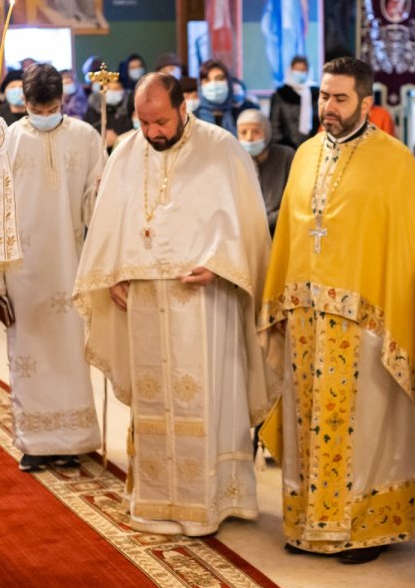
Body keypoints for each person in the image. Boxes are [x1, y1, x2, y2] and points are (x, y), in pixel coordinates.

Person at [73, 73, 275, 535]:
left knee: (205, 399)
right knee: (154, 402)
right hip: (144, 303)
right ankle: (156, 497)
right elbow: (109, 223)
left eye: (160, 121)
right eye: (144, 123)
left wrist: (222, 266)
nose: (152, 133)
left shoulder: (222, 149)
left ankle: (211, 500)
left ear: (184, 106)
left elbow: (248, 230)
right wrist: (114, 274)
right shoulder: (127, 150)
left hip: (205, 302)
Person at [260, 56, 415, 564]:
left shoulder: (395, 160)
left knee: (366, 428)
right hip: (306, 319)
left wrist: (394, 313)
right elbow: (292, 234)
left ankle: (364, 529)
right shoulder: (306, 154)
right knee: (307, 423)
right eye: (323, 97)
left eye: (339, 98)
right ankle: (308, 523)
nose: (328, 107)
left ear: (366, 102)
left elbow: (409, 246)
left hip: (366, 322)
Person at [0, 64, 104, 471]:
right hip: (23, 270)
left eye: (49, 106)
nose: (43, 113)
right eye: (36, 106)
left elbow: (97, 204)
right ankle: (35, 441)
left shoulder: (86, 137)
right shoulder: (7, 142)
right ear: (22, 103)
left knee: (72, 352)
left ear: (62, 100)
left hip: (73, 263)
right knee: (29, 352)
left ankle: (75, 439)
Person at [237, 107, 293, 235]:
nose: (249, 138)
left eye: (256, 132)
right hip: (246, 234)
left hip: (280, 230)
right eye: (243, 132)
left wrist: (266, 222)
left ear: (267, 132)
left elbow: (294, 200)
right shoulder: (234, 159)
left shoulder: (286, 156)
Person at [269, 55, 319, 150]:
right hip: (286, 147)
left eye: (303, 70)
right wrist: (285, 146)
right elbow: (274, 125)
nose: (300, 73)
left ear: (308, 71)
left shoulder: (316, 93)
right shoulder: (281, 94)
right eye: (297, 70)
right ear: (291, 70)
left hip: (313, 146)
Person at [194, 59, 239, 134]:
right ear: (200, 85)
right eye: (207, 80)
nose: (214, 84)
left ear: (228, 82)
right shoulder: (193, 119)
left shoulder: (239, 114)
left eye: (219, 78)